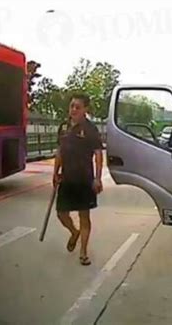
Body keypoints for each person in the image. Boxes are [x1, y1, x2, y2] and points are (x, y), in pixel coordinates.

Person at [53, 94, 103, 266]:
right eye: (72, 106)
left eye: (78, 107)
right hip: (66, 178)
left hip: (84, 180)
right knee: (61, 213)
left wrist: (97, 178)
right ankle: (74, 232)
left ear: (85, 110)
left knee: (84, 215)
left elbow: (98, 154)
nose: (73, 109)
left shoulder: (91, 129)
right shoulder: (64, 127)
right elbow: (59, 151)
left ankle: (83, 252)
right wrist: (55, 172)